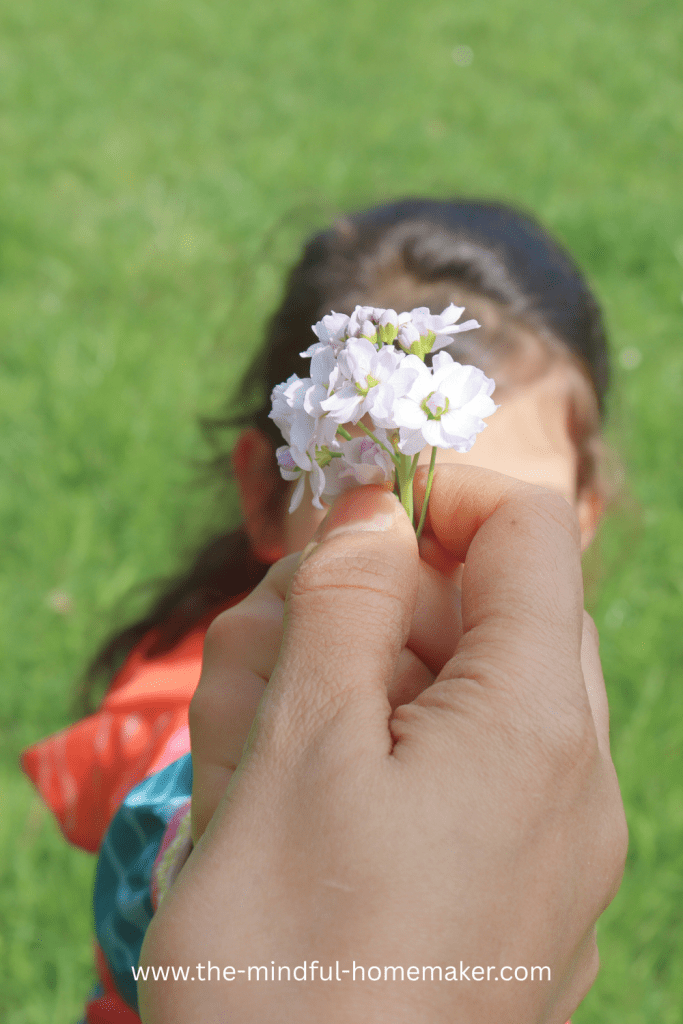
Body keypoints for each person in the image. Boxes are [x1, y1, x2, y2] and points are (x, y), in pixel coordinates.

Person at [19, 196, 633, 1022]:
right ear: (265, 491)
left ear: (579, 518)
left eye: (498, 512)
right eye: (364, 486)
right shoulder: (218, 693)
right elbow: (142, 860)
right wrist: (210, 839)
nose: (426, 552)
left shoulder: (544, 712)